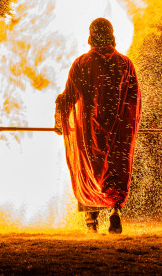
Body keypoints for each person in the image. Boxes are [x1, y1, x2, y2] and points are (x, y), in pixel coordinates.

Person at [55, 18, 141, 233]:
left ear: (91, 35)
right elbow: (134, 98)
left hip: (90, 129)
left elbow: (69, 97)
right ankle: (114, 210)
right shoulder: (125, 63)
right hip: (119, 128)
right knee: (116, 169)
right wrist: (127, 124)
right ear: (111, 34)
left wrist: (59, 117)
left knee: (88, 169)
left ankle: (91, 221)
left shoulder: (81, 63)